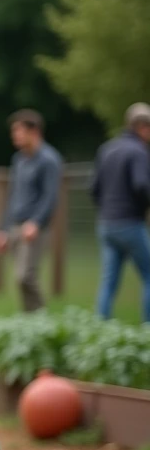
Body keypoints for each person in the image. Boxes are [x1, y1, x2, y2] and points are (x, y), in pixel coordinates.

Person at [0, 109, 63, 312]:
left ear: (34, 131)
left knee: (25, 275)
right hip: (15, 225)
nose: (14, 136)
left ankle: (41, 316)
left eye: (18, 130)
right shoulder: (19, 160)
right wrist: (3, 229)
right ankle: (29, 322)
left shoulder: (49, 160)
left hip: (33, 228)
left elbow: (50, 197)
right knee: (21, 280)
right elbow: (13, 195)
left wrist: (36, 222)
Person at [92, 102, 150, 322]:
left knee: (108, 281)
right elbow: (142, 185)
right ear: (142, 126)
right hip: (130, 222)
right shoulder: (138, 151)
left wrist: (107, 209)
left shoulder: (107, 148)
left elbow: (94, 189)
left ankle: (101, 327)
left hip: (106, 224)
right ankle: (148, 330)